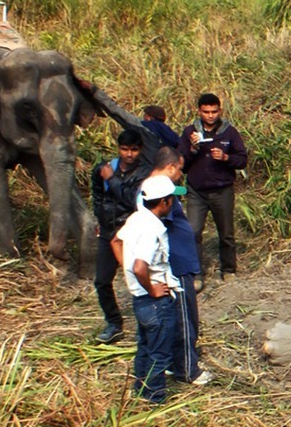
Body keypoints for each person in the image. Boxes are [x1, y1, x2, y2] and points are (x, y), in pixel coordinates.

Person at [113, 175, 185, 404]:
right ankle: (155, 399)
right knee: (159, 354)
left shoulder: (135, 219)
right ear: (163, 202)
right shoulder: (152, 227)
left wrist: (126, 268)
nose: (173, 203)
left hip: (139, 300)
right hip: (154, 301)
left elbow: (115, 241)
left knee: (144, 347)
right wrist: (152, 289)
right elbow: (139, 266)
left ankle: (139, 390)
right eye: (172, 199)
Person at [144, 146, 213, 386]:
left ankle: (176, 363)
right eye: (179, 170)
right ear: (171, 167)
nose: (180, 175)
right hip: (176, 266)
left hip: (178, 262)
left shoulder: (155, 190)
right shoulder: (158, 196)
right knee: (185, 319)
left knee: (177, 318)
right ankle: (187, 369)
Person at [90, 129, 152, 343]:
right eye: (125, 149)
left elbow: (132, 199)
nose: (129, 154)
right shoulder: (104, 169)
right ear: (118, 148)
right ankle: (114, 323)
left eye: (134, 150)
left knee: (136, 279)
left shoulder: (144, 174)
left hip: (130, 232)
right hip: (108, 232)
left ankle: (144, 325)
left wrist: (113, 179)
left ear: (140, 150)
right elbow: (97, 195)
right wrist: (100, 219)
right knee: (102, 280)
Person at [178, 93, 247, 282]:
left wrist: (226, 158)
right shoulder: (189, 132)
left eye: (214, 111)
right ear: (199, 111)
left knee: (226, 233)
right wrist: (193, 149)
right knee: (193, 232)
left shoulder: (229, 132)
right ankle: (197, 273)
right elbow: (181, 165)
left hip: (222, 190)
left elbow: (242, 160)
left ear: (220, 110)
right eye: (206, 112)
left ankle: (228, 270)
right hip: (196, 192)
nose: (210, 115)